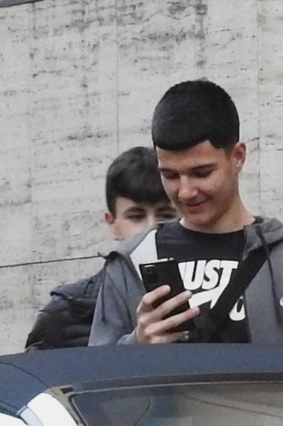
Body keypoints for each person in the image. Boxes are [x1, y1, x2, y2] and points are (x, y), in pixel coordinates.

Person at [86, 80, 283, 345]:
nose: (185, 191)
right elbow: (96, 376)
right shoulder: (130, 262)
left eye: (201, 173)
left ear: (237, 157)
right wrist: (137, 345)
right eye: (170, 176)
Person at [27, 147, 173, 349]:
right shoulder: (65, 313)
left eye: (165, 215)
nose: (151, 228)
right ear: (112, 223)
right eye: (136, 216)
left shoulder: (205, 290)